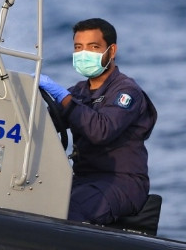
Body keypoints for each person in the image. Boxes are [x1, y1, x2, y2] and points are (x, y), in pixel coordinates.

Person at [38, 17, 158, 224]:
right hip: (82, 180)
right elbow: (46, 125)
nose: (84, 54)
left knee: (69, 212)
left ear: (111, 51)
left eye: (93, 47)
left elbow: (101, 131)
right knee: (34, 201)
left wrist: (63, 97)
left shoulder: (126, 91)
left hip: (121, 182)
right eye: (78, 47)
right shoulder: (78, 91)